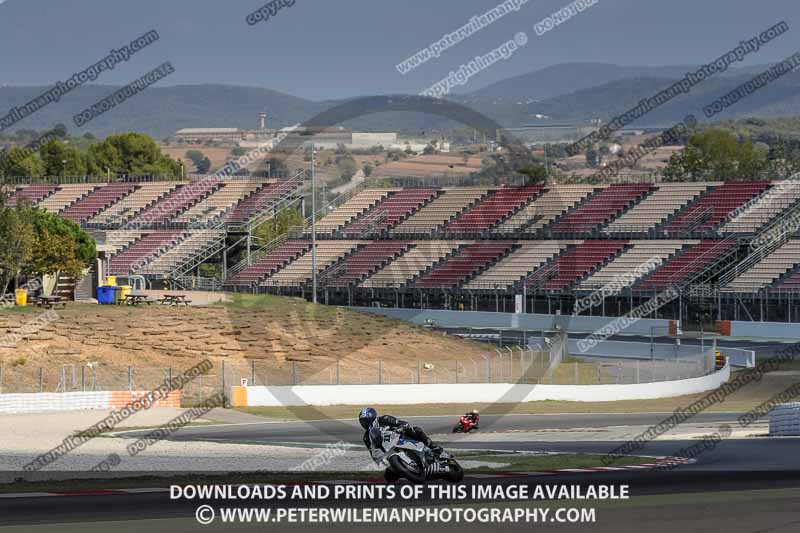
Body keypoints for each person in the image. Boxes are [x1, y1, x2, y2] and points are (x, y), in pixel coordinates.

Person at [359, 407, 443, 456]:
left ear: (372, 418)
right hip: (389, 451)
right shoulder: (367, 437)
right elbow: (373, 452)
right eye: (362, 421)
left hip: (400, 437)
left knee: (416, 430)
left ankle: (432, 446)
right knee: (389, 477)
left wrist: (400, 427)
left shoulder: (384, 419)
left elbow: (401, 423)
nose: (364, 423)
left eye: (365, 420)